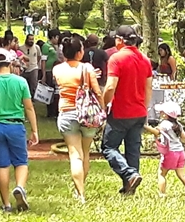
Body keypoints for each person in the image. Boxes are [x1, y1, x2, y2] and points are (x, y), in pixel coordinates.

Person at [0, 51, 38, 213]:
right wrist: (34, 130)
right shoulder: (21, 82)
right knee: (21, 162)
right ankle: (19, 187)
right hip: (16, 126)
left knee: (2, 165)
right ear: (11, 63)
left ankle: (6, 205)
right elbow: (29, 107)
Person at [101, 25, 154, 195]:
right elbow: (148, 88)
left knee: (109, 147)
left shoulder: (117, 59)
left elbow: (110, 87)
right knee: (133, 150)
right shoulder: (145, 60)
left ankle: (129, 174)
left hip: (121, 111)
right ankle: (129, 186)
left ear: (120, 40)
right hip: (139, 112)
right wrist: (144, 109)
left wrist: (103, 105)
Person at [54, 36, 103, 203]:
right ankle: (81, 188)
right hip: (87, 114)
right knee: (85, 154)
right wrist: (102, 110)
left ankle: (80, 193)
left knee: (75, 155)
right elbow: (96, 92)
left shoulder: (57, 70)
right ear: (80, 52)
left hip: (67, 112)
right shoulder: (87, 68)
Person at [144, 101, 185, 196]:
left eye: (162, 112)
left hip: (170, 152)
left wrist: (145, 127)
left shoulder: (165, 124)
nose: (160, 113)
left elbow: (156, 132)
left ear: (166, 115)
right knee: (182, 174)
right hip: (180, 152)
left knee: (161, 173)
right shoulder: (178, 125)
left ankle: (162, 193)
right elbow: (184, 137)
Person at [21, 34, 42, 99]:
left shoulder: (37, 47)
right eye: (30, 39)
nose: (31, 41)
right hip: (24, 69)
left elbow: (39, 56)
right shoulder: (21, 48)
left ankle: (33, 98)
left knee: (34, 85)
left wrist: (35, 63)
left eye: (32, 39)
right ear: (26, 39)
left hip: (34, 68)